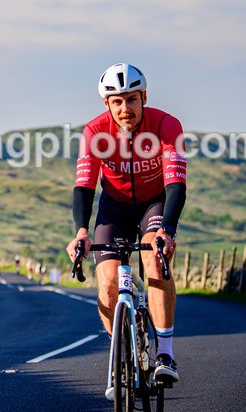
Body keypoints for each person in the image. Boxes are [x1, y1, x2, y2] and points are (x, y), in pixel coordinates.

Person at [66, 63, 186, 390]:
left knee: (153, 261)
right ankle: (119, 349)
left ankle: (164, 353)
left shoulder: (166, 125)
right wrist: (81, 232)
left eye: (131, 99)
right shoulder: (94, 132)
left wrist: (167, 232)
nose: (125, 108)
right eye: (117, 101)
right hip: (114, 206)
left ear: (143, 97)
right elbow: (85, 187)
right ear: (107, 104)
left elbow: (176, 184)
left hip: (154, 202)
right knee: (106, 281)